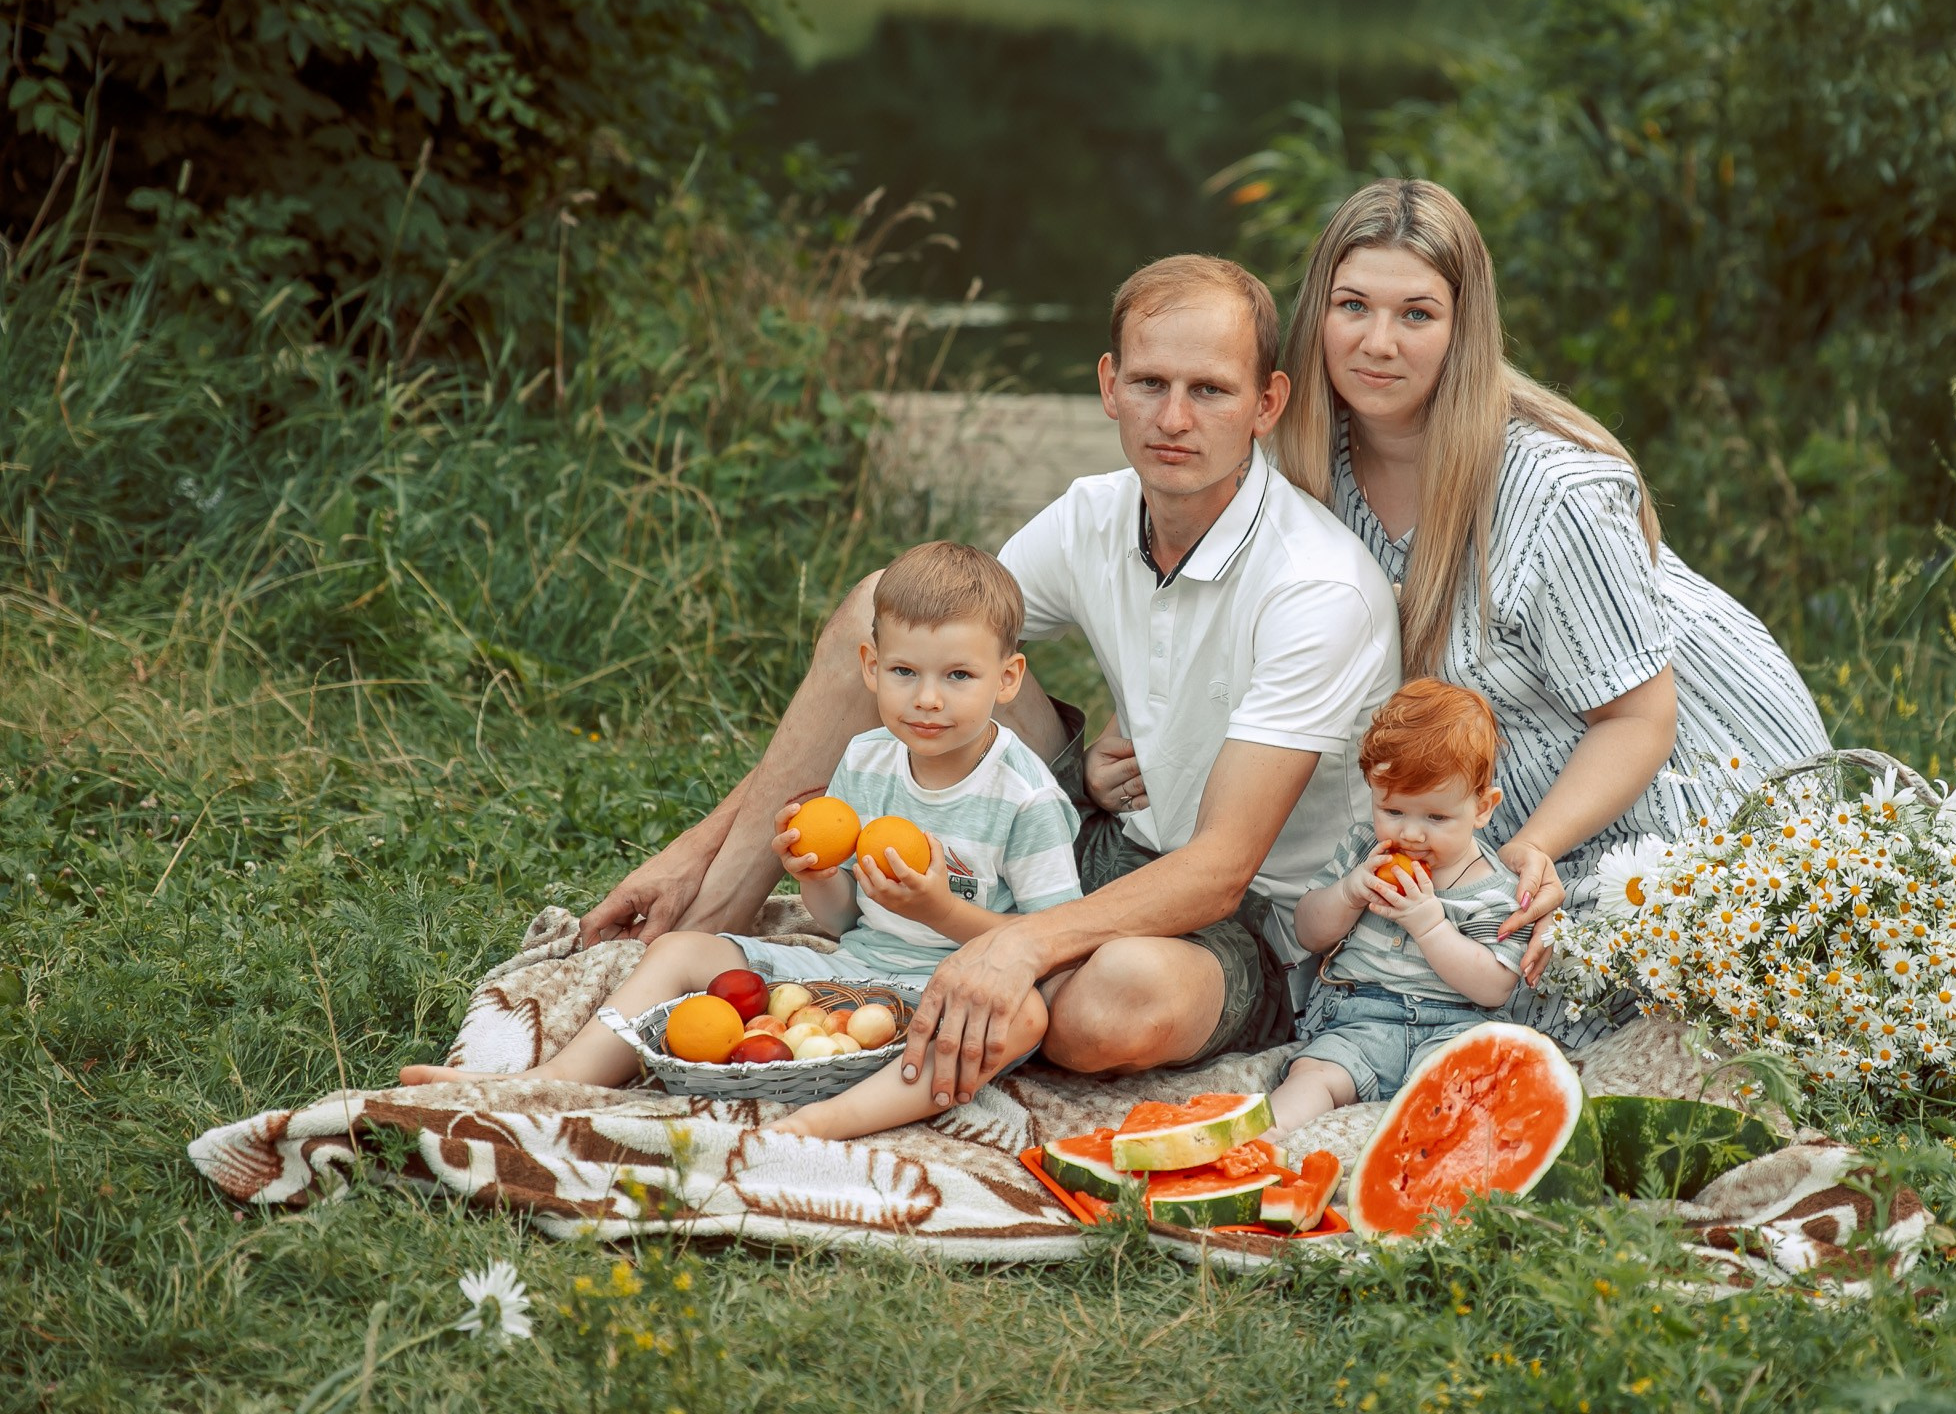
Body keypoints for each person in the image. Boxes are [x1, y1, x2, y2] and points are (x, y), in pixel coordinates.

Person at [577, 255, 1401, 1106]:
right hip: (1095, 837)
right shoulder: (1095, 511)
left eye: (1211, 391)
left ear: (1267, 402)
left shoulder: (1316, 587)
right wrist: (693, 846)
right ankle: (709, 922)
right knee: (888, 610)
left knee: (1109, 1008)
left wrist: (1021, 944)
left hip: (1258, 920)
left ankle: (965, 979)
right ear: (1109, 385)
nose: (1175, 417)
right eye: (1151, 382)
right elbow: (934, 655)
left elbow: (1221, 869)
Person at [1156, 178, 1825, 1050]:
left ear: (1462, 329)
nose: (1378, 343)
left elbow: (1638, 717)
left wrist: (1527, 855)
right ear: (1317, 311)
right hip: (1475, 792)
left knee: (1561, 990)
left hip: (1658, 781)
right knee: (1379, 959)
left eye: (1417, 314)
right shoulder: (1310, 478)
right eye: (1352, 305)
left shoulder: (1555, 492)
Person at [402, 542, 1082, 1141]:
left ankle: (820, 1123)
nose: (927, 699)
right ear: (871, 666)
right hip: (850, 980)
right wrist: (813, 872)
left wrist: (940, 911)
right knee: (678, 949)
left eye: (958, 676)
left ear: (1008, 679)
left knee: (1022, 1016)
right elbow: (842, 920)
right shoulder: (867, 760)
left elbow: (1048, 950)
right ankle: (556, 1080)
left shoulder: (1026, 800)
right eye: (906, 672)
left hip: (957, 999)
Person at [1270, 678, 1525, 1133]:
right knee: (1314, 1075)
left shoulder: (1495, 889)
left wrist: (1430, 925)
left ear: (1483, 808)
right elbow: (1308, 932)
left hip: (1454, 1027)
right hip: (1358, 1019)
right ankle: (1265, 1141)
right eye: (1393, 811)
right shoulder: (1362, 853)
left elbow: (1495, 987)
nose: (1410, 834)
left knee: (1473, 1086)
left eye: (1436, 817)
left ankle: (1429, 1155)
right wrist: (1349, 893)